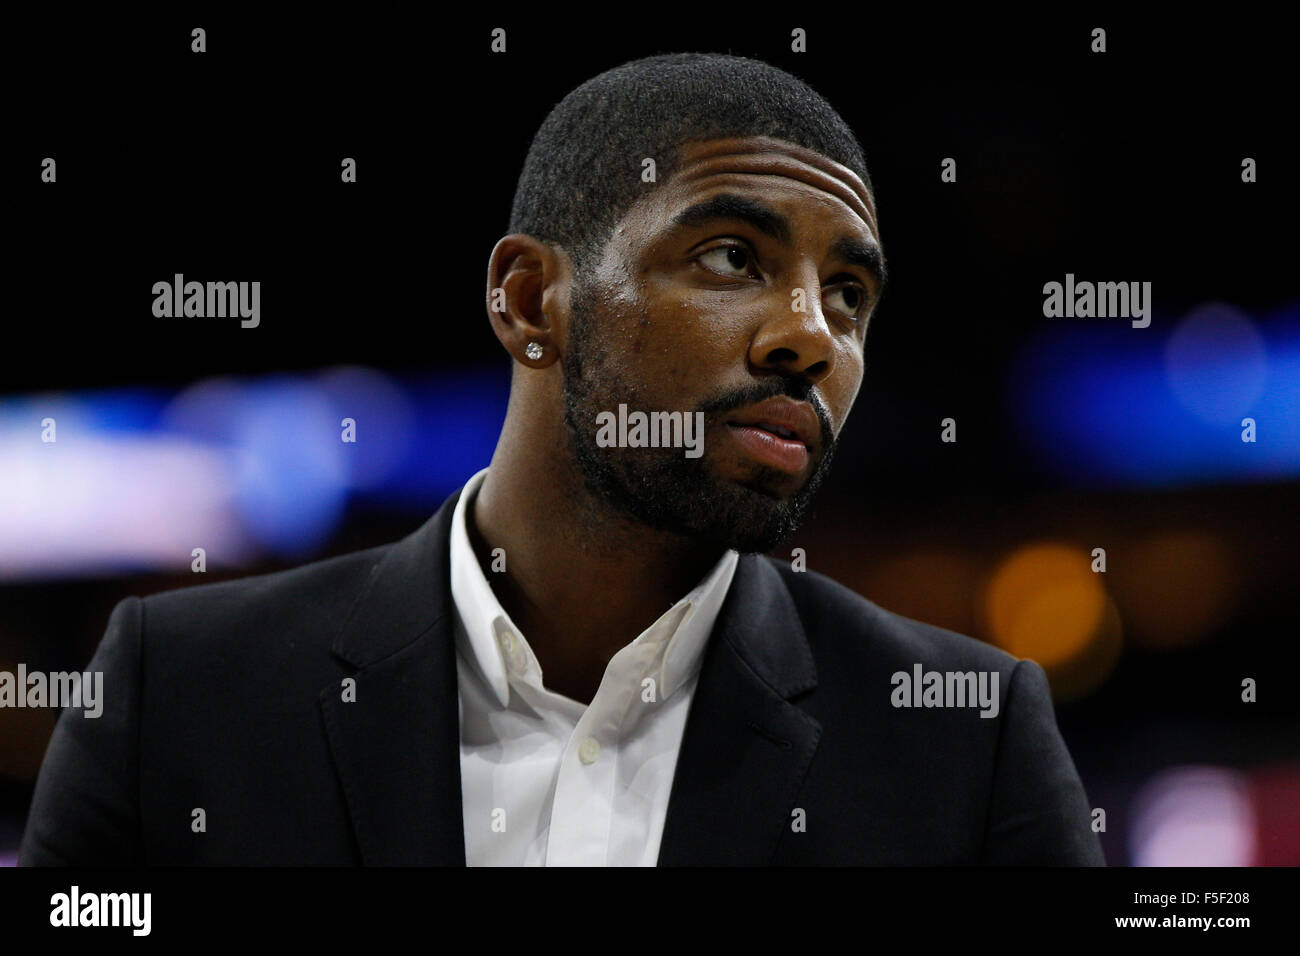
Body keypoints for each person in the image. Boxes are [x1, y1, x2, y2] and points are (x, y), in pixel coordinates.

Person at [20, 52, 1104, 866]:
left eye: (849, 296)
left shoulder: (967, 737)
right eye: (732, 256)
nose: (811, 337)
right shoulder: (181, 691)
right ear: (532, 299)